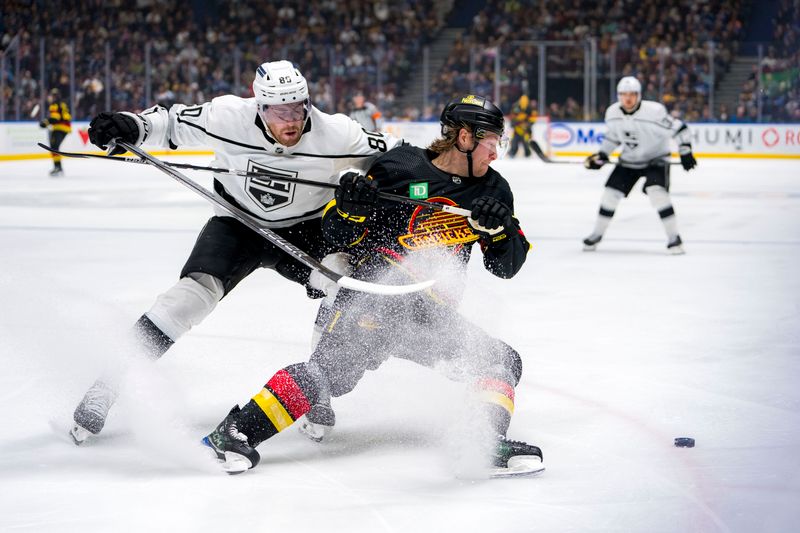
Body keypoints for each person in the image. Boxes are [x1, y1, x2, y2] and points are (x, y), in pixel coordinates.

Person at [202, 95, 543, 478]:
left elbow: (506, 267)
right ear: (464, 137)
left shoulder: (494, 191)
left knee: (500, 359)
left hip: (431, 312)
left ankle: (483, 443)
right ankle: (233, 432)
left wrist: (500, 232)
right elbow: (336, 235)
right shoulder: (401, 167)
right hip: (374, 298)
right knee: (329, 377)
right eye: (491, 142)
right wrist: (350, 206)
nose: (496, 153)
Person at [69, 60, 402, 445]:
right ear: (259, 106)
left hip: (305, 231)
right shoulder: (227, 115)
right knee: (186, 300)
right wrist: (131, 125)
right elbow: (172, 124)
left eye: (299, 108)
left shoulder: (337, 132)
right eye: (280, 111)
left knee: (341, 283)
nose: (292, 119)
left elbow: (397, 155)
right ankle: (106, 386)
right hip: (236, 224)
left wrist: (376, 183)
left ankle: (315, 388)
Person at [582, 76, 697, 254]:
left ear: (639, 95)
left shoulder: (654, 112)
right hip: (629, 161)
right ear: (618, 96)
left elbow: (680, 129)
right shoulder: (612, 113)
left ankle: (674, 238)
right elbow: (612, 137)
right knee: (610, 195)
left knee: (657, 193)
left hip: (656, 160)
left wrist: (685, 151)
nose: (628, 99)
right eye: (623, 95)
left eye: (632, 94)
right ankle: (596, 234)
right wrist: (602, 155)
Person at [40, 88, 72, 177]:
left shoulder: (54, 104)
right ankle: (58, 167)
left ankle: (57, 167)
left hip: (59, 128)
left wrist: (45, 122)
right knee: (55, 147)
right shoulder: (63, 103)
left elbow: (55, 118)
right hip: (66, 128)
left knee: (54, 147)